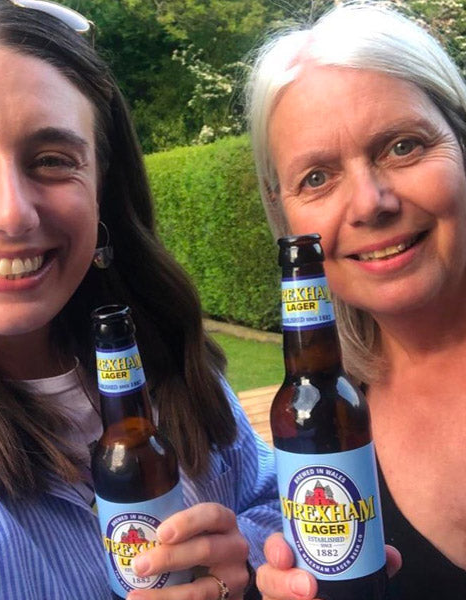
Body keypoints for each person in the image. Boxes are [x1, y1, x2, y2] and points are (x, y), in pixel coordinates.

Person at [0, 1, 281, 598]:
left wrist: (246, 560)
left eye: (53, 161)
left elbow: (270, 497)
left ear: (101, 186)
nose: (11, 213)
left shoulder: (166, 363)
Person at [245, 1, 466, 598]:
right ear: (285, 215)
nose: (370, 203)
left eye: (402, 146)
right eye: (316, 177)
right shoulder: (326, 414)